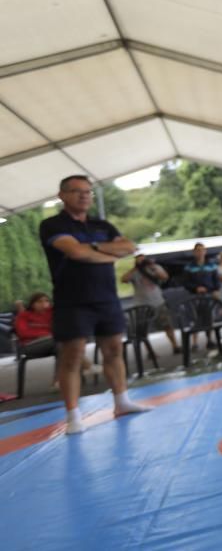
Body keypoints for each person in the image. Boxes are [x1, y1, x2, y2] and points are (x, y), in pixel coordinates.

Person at [38, 175, 150, 434]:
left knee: (114, 351)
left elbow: (129, 246)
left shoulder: (102, 225)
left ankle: (121, 402)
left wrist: (95, 247)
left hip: (107, 298)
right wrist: (107, 255)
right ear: (62, 195)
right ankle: (73, 416)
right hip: (73, 301)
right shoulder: (51, 225)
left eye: (88, 192)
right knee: (72, 356)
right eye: (78, 191)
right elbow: (76, 252)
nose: (84, 196)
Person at [121, 254, 180, 355]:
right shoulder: (135, 272)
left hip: (158, 302)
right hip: (141, 305)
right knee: (143, 330)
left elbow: (164, 277)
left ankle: (175, 345)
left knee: (167, 325)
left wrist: (152, 267)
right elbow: (124, 279)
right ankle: (150, 351)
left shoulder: (154, 267)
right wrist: (136, 267)